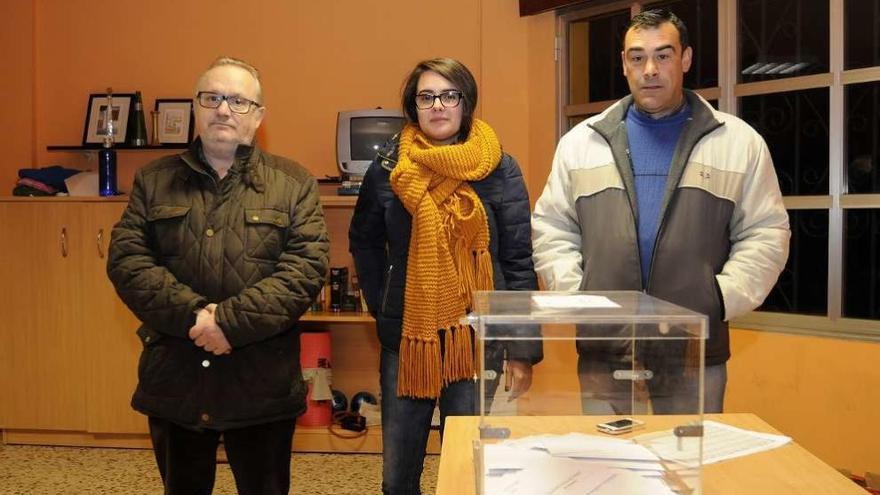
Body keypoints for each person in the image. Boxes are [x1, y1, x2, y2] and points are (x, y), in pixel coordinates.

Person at [532, 9, 790, 415]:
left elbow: (766, 231)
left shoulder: (738, 143)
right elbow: (552, 227)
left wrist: (719, 297)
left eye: (663, 56)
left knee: (689, 473)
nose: (649, 69)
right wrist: (577, 296)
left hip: (694, 352)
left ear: (685, 59)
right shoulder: (581, 143)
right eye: (637, 57)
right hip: (606, 350)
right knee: (610, 470)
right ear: (623, 64)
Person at [106, 56, 329, 494]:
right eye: (213, 98)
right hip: (177, 378)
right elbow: (128, 261)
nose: (224, 109)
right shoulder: (154, 180)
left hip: (260, 381)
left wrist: (227, 323)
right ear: (196, 106)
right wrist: (196, 318)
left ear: (259, 115)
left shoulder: (294, 183)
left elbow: (304, 270)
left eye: (238, 101)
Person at [349, 57, 542, 495]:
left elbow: (517, 259)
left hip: (474, 339)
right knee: (398, 477)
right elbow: (364, 241)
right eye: (426, 96)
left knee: (467, 468)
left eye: (449, 95)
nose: (438, 105)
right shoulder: (387, 170)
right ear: (413, 106)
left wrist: (523, 347)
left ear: (465, 102)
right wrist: (385, 301)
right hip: (407, 339)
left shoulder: (500, 168)